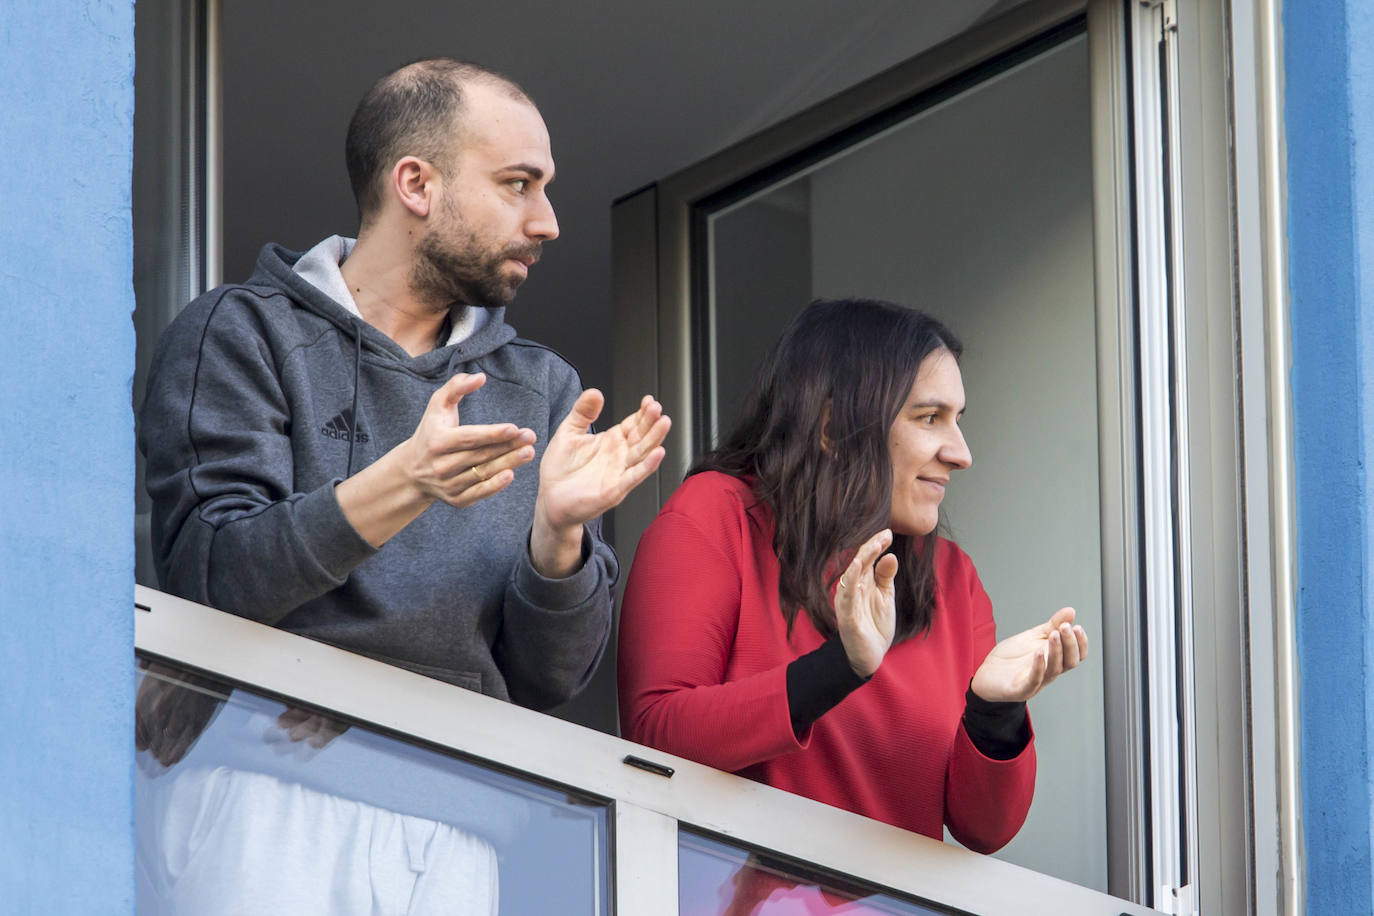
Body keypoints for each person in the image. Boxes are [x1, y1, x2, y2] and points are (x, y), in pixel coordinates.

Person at [135, 57, 669, 914]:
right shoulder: (240, 333)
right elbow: (211, 576)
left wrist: (558, 541)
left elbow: (548, 680)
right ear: (416, 183)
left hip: (455, 829)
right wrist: (405, 484)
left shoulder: (543, 389)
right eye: (518, 184)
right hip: (263, 791)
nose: (548, 221)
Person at [618, 298, 1087, 869]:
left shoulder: (953, 581)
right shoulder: (717, 516)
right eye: (929, 417)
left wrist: (994, 712)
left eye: (958, 419)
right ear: (834, 427)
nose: (961, 453)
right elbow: (655, 736)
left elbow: (985, 829)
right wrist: (838, 669)